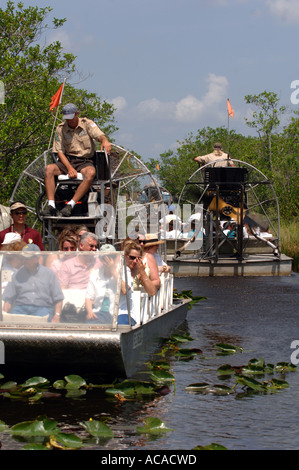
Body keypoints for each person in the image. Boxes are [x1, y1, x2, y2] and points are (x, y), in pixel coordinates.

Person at [43, 103, 112, 217]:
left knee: (91, 173)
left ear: (77, 114)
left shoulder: (87, 124)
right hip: (67, 161)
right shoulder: (60, 128)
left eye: (71, 118)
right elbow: (59, 151)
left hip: (85, 161)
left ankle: (70, 205)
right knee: (49, 169)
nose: (69, 121)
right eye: (67, 119)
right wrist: (69, 168)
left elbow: (98, 134)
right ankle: (51, 205)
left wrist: (104, 141)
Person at [3, 244, 63, 322]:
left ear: (37, 258)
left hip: (43, 309)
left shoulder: (49, 274)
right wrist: (4, 315)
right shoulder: (16, 275)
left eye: (27, 258)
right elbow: (8, 298)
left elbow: (58, 297)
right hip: (21, 309)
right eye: (23, 258)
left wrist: (57, 315)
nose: (24, 260)